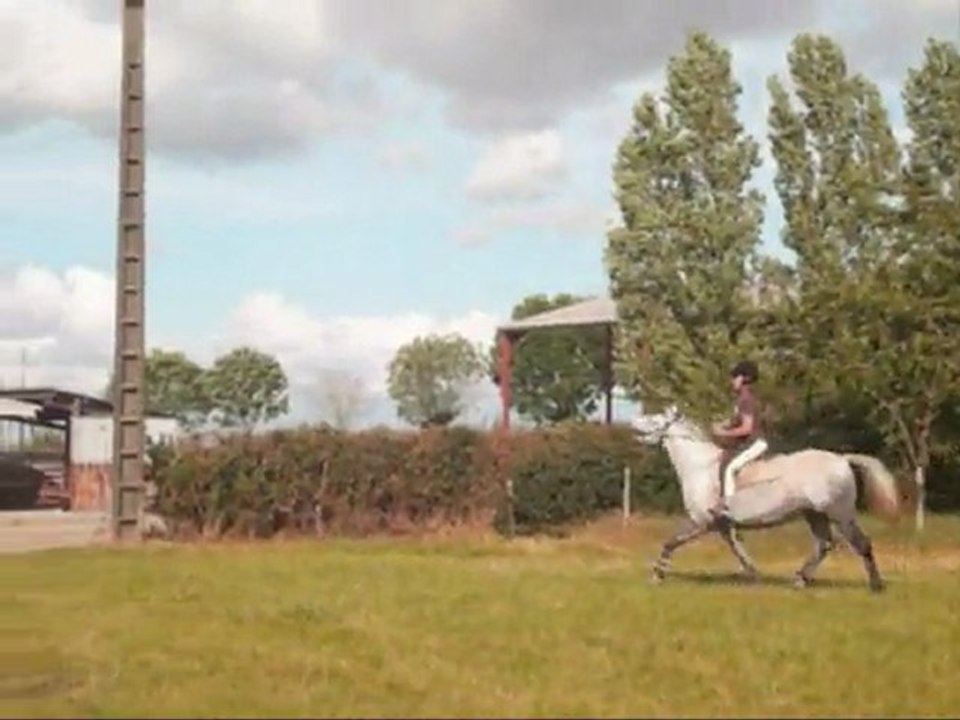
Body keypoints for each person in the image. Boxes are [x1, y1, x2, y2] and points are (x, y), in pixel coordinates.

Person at [709, 360, 768, 520]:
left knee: (730, 468)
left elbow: (747, 428)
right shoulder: (742, 399)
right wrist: (721, 425)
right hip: (747, 443)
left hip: (755, 443)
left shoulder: (746, 400)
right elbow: (734, 421)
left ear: (744, 379)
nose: (732, 381)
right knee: (723, 459)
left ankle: (729, 506)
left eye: (735, 377)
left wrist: (723, 433)